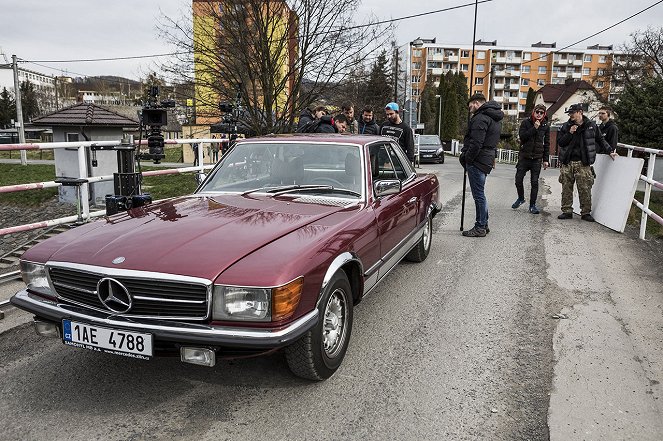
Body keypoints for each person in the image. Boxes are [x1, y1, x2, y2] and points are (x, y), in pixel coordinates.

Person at [556, 103, 618, 222]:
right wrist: (570, 133)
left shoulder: (591, 126)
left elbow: (600, 140)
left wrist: (610, 150)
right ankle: (567, 211)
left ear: (580, 112)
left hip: (583, 162)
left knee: (585, 188)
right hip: (568, 162)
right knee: (566, 188)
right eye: (569, 113)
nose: (570, 115)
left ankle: (585, 212)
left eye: (572, 113)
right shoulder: (566, 126)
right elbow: (561, 143)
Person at [460, 92, 504, 238]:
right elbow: (492, 140)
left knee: (478, 195)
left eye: (470, 105)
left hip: (478, 160)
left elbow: (476, 143)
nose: (469, 108)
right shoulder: (494, 118)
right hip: (486, 158)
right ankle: (484, 224)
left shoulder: (480, 118)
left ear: (476, 103)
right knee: (481, 194)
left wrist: (467, 159)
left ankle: (480, 226)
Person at [512, 103, 550, 214]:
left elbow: (546, 144)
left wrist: (545, 160)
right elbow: (522, 137)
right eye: (537, 112)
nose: (539, 114)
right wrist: (534, 128)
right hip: (524, 156)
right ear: (533, 112)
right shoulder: (525, 123)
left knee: (534, 182)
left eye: (541, 113)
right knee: (518, 180)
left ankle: (532, 205)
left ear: (544, 114)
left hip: (537, 158)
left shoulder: (546, 126)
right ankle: (521, 198)